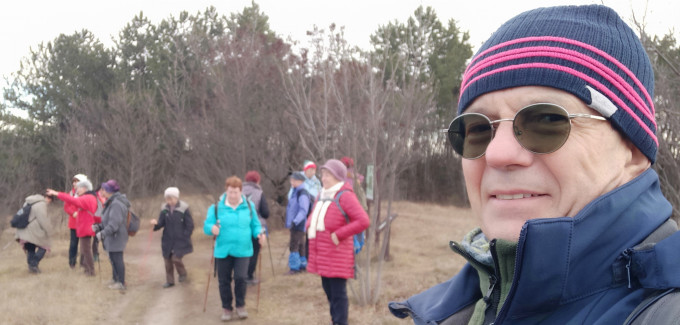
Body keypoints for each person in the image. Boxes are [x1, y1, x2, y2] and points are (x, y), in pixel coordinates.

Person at [389, 5, 680, 324]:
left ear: (633, 150)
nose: (497, 154)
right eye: (477, 129)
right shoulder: (456, 310)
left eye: (546, 120)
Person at [306, 159, 370, 325]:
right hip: (321, 253)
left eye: (328, 175)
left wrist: (340, 234)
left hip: (337, 255)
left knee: (338, 295)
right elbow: (315, 216)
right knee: (329, 293)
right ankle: (335, 321)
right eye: (323, 174)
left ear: (338, 176)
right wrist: (308, 225)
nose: (324, 178)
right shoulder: (322, 194)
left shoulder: (345, 195)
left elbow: (363, 220)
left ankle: (341, 322)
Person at [204, 176, 266, 321]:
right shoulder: (216, 207)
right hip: (222, 250)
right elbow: (207, 225)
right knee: (223, 280)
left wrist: (259, 234)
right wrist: (211, 228)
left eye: (236, 192)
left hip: (243, 249)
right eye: (230, 192)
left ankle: (240, 305)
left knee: (241, 278)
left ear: (241, 192)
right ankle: (226, 308)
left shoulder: (249, 206)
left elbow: (256, 225)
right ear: (226, 191)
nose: (233, 195)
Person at [47, 179, 97, 276]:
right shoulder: (91, 197)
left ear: (84, 188)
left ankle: (90, 271)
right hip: (86, 227)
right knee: (84, 249)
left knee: (86, 250)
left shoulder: (87, 198)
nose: (77, 190)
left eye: (78, 188)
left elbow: (72, 200)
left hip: (86, 228)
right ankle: (87, 269)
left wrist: (57, 193)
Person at [150, 187, 194, 288]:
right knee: (167, 260)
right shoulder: (164, 209)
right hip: (167, 239)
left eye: (171, 199)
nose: (169, 201)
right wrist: (155, 224)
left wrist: (186, 235)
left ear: (176, 198)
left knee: (176, 258)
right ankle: (170, 281)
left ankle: (182, 273)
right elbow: (161, 223)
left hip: (181, 239)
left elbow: (190, 224)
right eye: (167, 199)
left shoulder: (184, 208)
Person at [93, 179, 130, 291]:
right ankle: (115, 279)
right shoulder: (111, 202)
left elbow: (114, 224)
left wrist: (102, 234)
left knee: (117, 259)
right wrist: (99, 226)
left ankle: (121, 282)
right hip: (112, 236)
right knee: (112, 258)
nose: (101, 191)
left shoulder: (116, 204)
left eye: (103, 189)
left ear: (109, 191)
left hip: (117, 236)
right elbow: (108, 220)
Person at [242, 170, 270, 285]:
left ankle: (240, 274)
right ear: (257, 180)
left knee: (242, 251)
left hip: (241, 226)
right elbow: (265, 212)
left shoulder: (238, 191)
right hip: (256, 226)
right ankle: (248, 276)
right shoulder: (259, 193)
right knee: (254, 251)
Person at [14, 194, 53, 274]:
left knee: (30, 249)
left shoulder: (27, 202)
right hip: (34, 230)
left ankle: (31, 268)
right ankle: (33, 264)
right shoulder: (41, 204)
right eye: (50, 201)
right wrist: (49, 231)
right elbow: (43, 220)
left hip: (23, 229)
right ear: (48, 199)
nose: (49, 203)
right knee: (44, 246)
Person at [285, 171, 312, 275]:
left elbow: (303, 210)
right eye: (291, 180)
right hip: (297, 222)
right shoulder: (296, 191)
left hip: (298, 222)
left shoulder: (302, 193)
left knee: (294, 244)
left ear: (300, 181)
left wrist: (295, 221)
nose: (291, 182)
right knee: (300, 244)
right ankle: (302, 265)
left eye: (294, 180)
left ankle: (294, 267)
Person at [64, 173, 88, 269]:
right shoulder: (71, 194)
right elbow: (66, 206)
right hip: (74, 223)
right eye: (74, 181)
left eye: (77, 181)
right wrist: (73, 213)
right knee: (73, 244)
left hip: (84, 223)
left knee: (84, 244)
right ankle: (72, 263)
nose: (74, 183)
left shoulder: (86, 193)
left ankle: (84, 263)